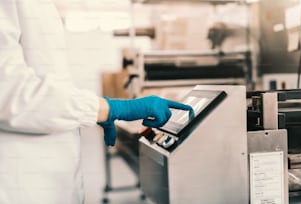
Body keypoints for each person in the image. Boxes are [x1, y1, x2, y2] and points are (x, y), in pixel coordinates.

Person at [0, 1, 193, 204]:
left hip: (51, 182)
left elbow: (46, 83)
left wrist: (97, 109)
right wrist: (109, 109)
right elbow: (9, 94)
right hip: (23, 186)